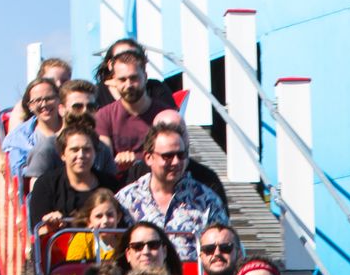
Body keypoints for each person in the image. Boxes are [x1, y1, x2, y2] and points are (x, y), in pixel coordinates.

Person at [114, 125, 228, 262]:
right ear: (148, 157)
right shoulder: (126, 200)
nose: (176, 162)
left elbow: (225, 248)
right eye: (168, 156)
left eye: (181, 155)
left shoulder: (207, 200)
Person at [28, 120, 119, 229]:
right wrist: (51, 225)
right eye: (74, 150)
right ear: (63, 154)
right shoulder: (46, 185)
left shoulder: (111, 185)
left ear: (95, 153)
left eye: (87, 150)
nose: (81, 155)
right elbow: (39, 231)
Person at [95, 53, 176, 174]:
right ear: (114, 82)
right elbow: (104, 164)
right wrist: (118, 164)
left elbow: (174, 158)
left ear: (145, 77)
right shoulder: (103, 116)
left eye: (134, 78)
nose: (128, 85)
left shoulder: (166, 116)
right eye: (122, 80)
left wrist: (137, 162)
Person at [24, 79, 115, 179]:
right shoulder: (47, 149)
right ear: (61, 110)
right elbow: (37, 191)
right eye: (77, 107)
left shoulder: (102, 149)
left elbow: (110, 190)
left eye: (91, 107)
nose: (85, 112)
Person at [3, 77, 63, 181]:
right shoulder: (20, 136)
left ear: (58, 99)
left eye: (49, 98)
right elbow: (17, 170)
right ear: (30, 106)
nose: (44, 104)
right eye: (37, 100)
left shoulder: (72, 127)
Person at [61, 188, 125, 263]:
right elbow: (73, 268)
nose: (105, 221)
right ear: (89, 221)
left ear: (118, 217)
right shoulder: (83, 239)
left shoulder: (124, 241)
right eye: (99, 216)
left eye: (110, 215)